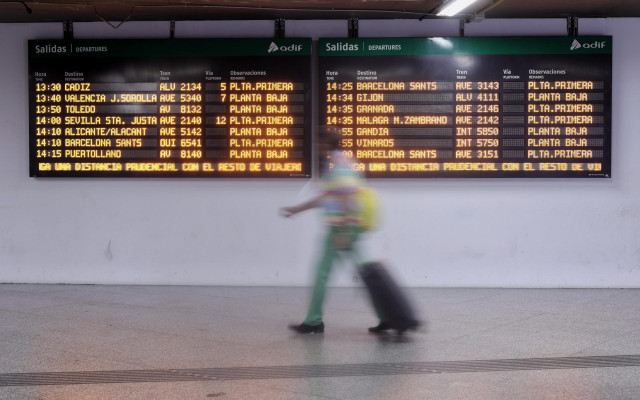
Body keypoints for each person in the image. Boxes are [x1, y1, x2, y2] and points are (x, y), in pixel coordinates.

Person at [280, 126, 388, 334]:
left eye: (318, 143)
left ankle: (313, 321)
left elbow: (348, 197)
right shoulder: (344, 163)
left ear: (324, 144)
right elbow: (328, 198)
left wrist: (345, 231)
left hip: (341, 229)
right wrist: (297, 209)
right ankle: (388, 316)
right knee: (366, 273)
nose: (316, 147)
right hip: (346, 228)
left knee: (322, 274)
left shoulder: (339, 166)